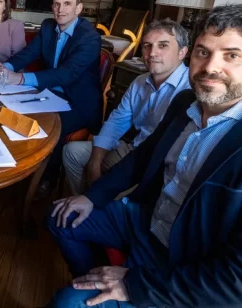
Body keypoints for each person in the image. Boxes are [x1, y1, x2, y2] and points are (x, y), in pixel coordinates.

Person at [47, 4, 242, 308]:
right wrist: (92, 196)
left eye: (232, 55)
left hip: (192, 263)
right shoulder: (186, 101)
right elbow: (144, 155)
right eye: (203, 52)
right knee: (61, 215)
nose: (210, 67)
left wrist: (135, 285)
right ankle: (96, 282)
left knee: (68, 303)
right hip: (149, 223)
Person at [62, 19, 190, 195]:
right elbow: (116, 122)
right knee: (71, 152)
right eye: (147, 46)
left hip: (158, 167)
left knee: (112, 199)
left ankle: (95, 204)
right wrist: (95, 161)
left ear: (182, 52)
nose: (152, 53)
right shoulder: (139, 82)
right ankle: (82, 202)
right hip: (133, 150)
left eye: (163, 45)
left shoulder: (190, 90)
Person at [3, 0, 102, 197]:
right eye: (56, 4)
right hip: (49, 92)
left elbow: (67, 74)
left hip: (78, 101)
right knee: (12, 112)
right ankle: (22, 168)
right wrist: (6, 67)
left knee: (51, 127)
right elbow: (29, 53)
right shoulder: (48, 26)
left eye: (67, 4)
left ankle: (47, 178)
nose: (60, 9)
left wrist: (21, 78)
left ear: (78, 8)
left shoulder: (90, 37)